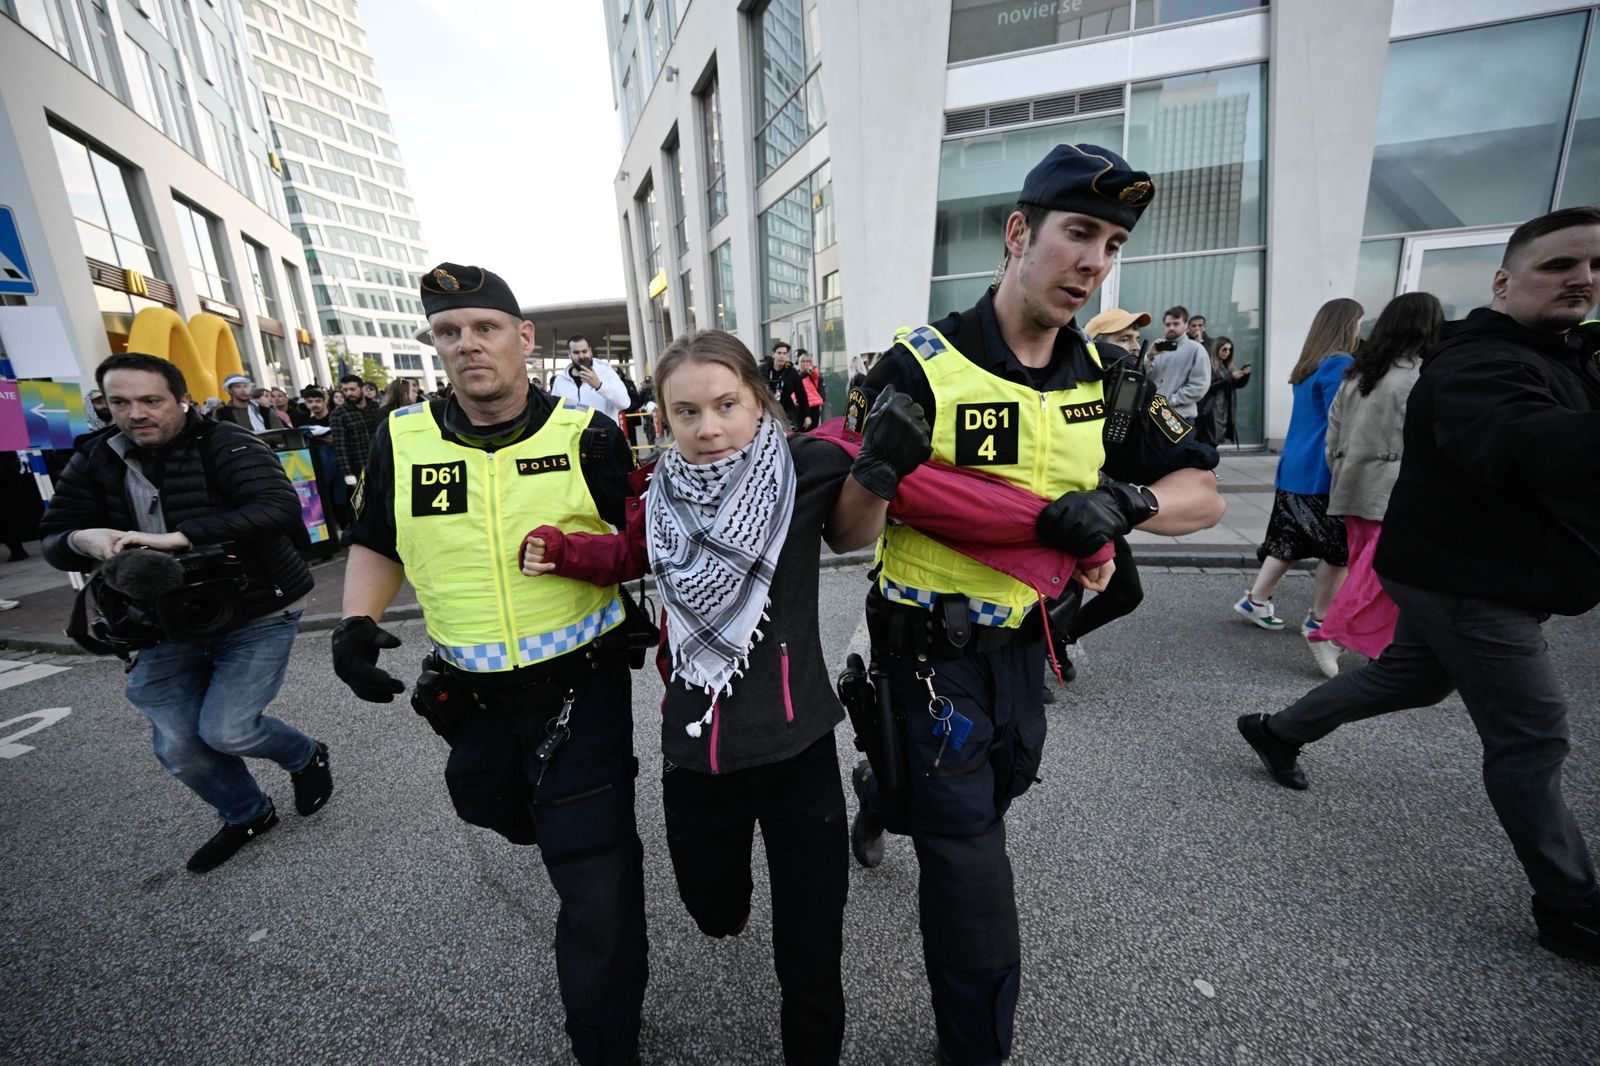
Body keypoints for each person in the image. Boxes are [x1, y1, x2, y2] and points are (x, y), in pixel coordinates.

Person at [831, 143, 1225, 1065]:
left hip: (1023, 652)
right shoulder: (919, 363)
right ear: (1019, 234)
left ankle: (878, 794)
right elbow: (848, 533)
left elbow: (1200, 492)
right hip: (923, 656)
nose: (1094, 261)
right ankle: (977, 1049)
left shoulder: (1113, 376)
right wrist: (880, 465)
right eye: (1078, 233)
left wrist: (1130, 502)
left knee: (984, 798)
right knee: (971, 864)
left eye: (1113, 243)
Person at [524, 329, 920, 1064]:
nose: (708, 429)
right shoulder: (662, 492)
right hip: (697, 751)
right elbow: (629, 552)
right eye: (686, 413)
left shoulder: (805, 466)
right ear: (663, 421)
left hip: (799, 748)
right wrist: (566, 550)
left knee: (811, 948)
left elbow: (861, 521)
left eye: (726, 405)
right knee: (715, 911)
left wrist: (884, 462)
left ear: (758, 400)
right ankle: (723, 907)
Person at [1236, 206, 1600, 966]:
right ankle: (1571, 903)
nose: (1584, 280)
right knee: (1532, 736)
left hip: (1408, 532)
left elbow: (1339, 428)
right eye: (1561, 266)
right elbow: (1527, 446)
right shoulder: (1469, 366)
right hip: (1460, 571)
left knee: (1407, 676)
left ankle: (1279, 726)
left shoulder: (1537, 356)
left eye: (1596, 269)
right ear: (1503, 282)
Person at [330, 263, 648, 1063]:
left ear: (523, 339)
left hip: (581, 688)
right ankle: (560, 826)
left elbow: (649, 543)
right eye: (448, 332)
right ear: (434, 346)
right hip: (468, 697)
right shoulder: (401, 437)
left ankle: (604, 1042)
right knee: (487, 805)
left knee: (594, 880)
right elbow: (378, 540)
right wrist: (356, 624)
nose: (467, 345)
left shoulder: (586, 434)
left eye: (485, 327)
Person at [39, 353, 328, 873]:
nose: (135, 414)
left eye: (151, 400)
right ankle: (247, 813)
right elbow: (55, 537)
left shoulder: (230, 442)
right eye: (120, 402)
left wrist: (178, 537)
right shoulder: (95, 457)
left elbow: (280, 509)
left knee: (229, 729)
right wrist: (84, 538)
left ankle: (305, 755)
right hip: (158, 621)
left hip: (259, 608)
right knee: (179, 744)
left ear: (182, 399)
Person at [1232, 297, 1361, 677]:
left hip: (1294, 467)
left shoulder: (1307, 367)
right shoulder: (1341, 365)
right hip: (1320, 472)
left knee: (1287, 541)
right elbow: (1344, 419)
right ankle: (1319, 619)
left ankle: (1256, 600)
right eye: (1358, 323)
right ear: (1347, 325)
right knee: (1338, 552)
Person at [1311, 292, 1442, 661]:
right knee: (1379, 574)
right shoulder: (1417, 376)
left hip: (1353, 482)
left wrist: (1344, 467)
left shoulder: (1358, 371)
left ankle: (1378, 645)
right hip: (1391, 488)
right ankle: (1330, 634)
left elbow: (1332, 432)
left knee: (1366, 570)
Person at [550, 334, 633, 426]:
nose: (581, 356)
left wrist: (599, 386)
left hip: (603, 436)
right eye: (576, 353)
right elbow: (555, 410)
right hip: (572, 438)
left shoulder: (607, 373)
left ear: (590, 351)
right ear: (569, 354)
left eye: (584, 351)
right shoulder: (561, 380)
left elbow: (625, 403)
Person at [1147, 306, 1211, 423]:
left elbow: (1200, 385)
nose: (1171, 327)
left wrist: (1172, 401)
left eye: (1176, 324)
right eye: (1168, 324)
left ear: (1186, 325)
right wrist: (1150, 356)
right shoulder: (1158, 348)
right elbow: (1145, 379)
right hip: (1154, 416)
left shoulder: (1196, 349)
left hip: (1180, 417)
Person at [330, 374, 382, 499]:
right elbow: (340, 446)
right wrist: (348, 474)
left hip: (382, 464)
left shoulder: (377, 408)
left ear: (362, 389)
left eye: (352, 389)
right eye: (345, 390)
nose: (348, 393)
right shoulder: (339, 414)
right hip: (359, 469)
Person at [1196, 336, 1251, 445]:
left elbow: (1236, 385)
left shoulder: (1226, 366)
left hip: (1223, 410)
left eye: (1229, 350)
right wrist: (1231, 378)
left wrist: (1245, 375)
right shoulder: (1209, 365)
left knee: (1214, 442)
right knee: (1209, 442)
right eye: (1224, 349)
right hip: (1211, 410)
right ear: (1216, 349)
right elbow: (1208, 387)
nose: (1227, 352)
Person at [762, 341, 806, 429]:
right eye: (779, 353)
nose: (782, 356)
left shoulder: (791, 372)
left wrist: (806, 415)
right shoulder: (763, 370)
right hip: (767, 411)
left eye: (784, 353)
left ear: (787, 356)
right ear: (774, 354)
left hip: (787, 412)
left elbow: (801, 395)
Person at [796, 349, 826, 430]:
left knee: (813, 430)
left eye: (808, 361)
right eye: (803, 361)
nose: (805, 363)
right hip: (801, 406)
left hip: (813, 406)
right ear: (800, 362)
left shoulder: (813, 374)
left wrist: (810, 369)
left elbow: (815, 373)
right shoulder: (797, 375)